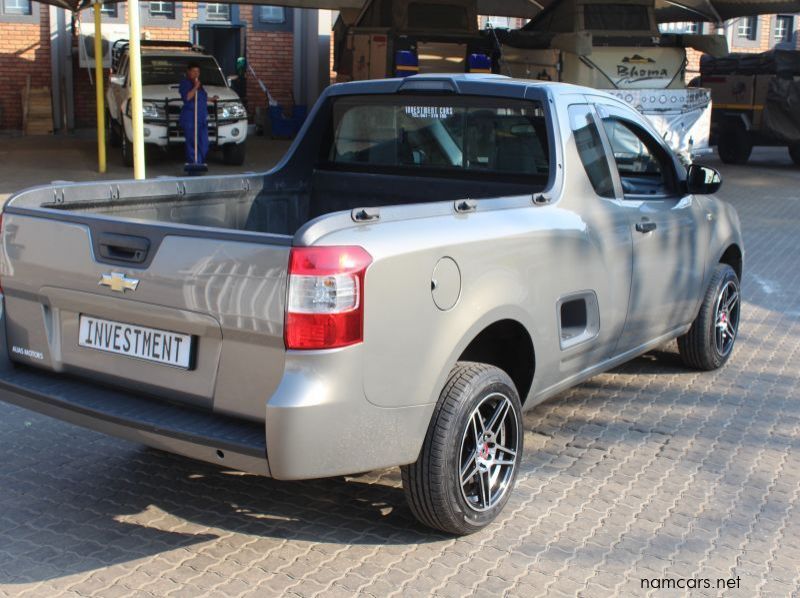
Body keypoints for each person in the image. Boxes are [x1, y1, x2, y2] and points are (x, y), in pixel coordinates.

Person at [179, 63, 218, 166]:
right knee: (192, 143)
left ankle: (199, 162)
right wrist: (195, 87)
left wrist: (211, 99)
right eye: (194, 71)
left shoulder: (199, 85)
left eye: (198, 72)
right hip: (191, 118)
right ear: (188, 72)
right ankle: (194, 165)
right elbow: (187, 97)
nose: (196, 73)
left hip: (201, 117)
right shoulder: (185, 83)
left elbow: (201, 97)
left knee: (204, 143)